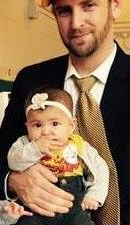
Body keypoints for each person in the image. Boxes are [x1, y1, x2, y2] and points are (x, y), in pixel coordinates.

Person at [0, 0, 130, 224]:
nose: (76, 23)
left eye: (88, 5)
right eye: (64, 11)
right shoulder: (31, 80)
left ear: (115, 5)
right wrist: (14, 181)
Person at [7, 87, 108, 225]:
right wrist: (35, 149)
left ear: (71, 125)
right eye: (37, 125)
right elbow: (13, 162)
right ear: (27, 127)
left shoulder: (79, 146)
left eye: (55, 124)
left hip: (74, 207)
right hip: (36, 208)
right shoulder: (25, 143)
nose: (46, 131)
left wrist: (94, 196)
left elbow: (101, 168)